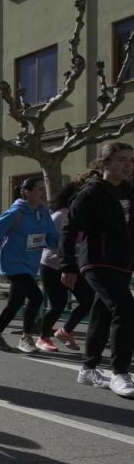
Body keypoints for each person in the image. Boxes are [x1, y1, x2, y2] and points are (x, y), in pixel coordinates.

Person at [61, 142, 134, 397]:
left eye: (131, 160)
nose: (128, 165)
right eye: (122, 159)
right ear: (105, 163)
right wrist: (68, 266)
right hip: (96, 261)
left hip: (123, 264)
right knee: (125, 308)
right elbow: (69, 230)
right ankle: (120, 372)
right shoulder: (91, 193)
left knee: (102, 314)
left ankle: (88, 369)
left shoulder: (127, 192)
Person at [0, 177, 58, 353]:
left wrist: (61, 247)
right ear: (26, 192)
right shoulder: (16, 212)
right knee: (36, 296)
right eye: (38, 189)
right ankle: (26, 337)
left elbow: (51, 234)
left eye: (43, 190)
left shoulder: (43, 212)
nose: (42, 193)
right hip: (13, 262)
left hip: (30, 263)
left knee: (16, 302)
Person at [36, 181, 94, 352]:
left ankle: (65, 331)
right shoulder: (59, 216)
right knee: (58, 303)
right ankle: (43, 337)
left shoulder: (83, 217)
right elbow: (46, 240)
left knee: (87, 300)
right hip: (52, 264)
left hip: (74, 265)